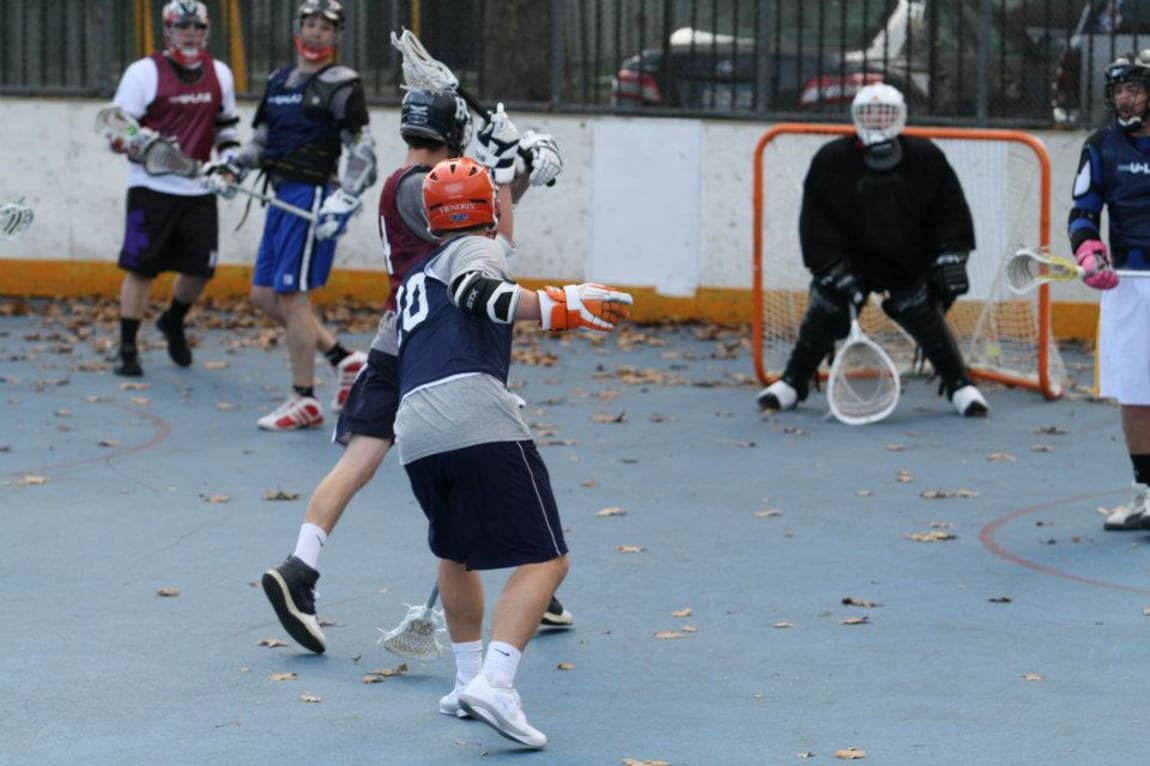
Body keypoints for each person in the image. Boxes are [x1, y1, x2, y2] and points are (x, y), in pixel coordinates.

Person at [259, 91, 571, 654]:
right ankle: (532, 570)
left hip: (400, 335)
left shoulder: (415, 182)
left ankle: (301, 566)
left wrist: (518, 168)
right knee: (480, 449)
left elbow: (485, 214)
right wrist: (507, 160)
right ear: (455, 136)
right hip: (435, 338)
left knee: (364, 458)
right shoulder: (417, 187)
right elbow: (491, 235)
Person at [395, 154, 631, 748]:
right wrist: (560, 306)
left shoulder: (414, 279)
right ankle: (496, 684)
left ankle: (465, 680)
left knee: (456, 554)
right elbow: (481, 293)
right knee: (549, 560)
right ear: (489, 212)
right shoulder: (478, 252)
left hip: (415, 427)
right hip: (474, 415)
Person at [756, 82, 989, 418]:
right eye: (869, 113)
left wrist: (951, 253)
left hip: (908, 261)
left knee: (923, 313)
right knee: (826, 309)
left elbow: (949, 210)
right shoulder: (831, 159)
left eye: (885, 113)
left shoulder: (926, 157)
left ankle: (959, 385)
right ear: (855, 116)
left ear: (901, 116)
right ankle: (793, 382)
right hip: (850, 261)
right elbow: (815, 221)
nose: (877, 120)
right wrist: (832, 269)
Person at [205, 0, 372, 430]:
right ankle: (343, 358)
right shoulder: (279, 80)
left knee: (293, 298)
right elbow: (262, 141)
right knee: (264, 296)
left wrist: (346, 197)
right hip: (279, 197)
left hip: (312, 198)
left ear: (337, 37)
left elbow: (362, 152)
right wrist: (231, 166)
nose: (316, 32)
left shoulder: (343, 84)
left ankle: (305, 398)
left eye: (325, 27)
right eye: (309, 23)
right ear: (297, 28)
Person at [107, 0, 240, 377]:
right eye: (183, 27)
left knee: (201, 269)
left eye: (198, 28)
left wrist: (229, 166)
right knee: (140, 269)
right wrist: (140, 142)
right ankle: (127, 347)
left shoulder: (220, 73)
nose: (191, 34)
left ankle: (173, 320)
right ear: (168, 31)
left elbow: (226, 128)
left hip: (198, 188)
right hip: (150, 188)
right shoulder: (143, 72)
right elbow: (114, 128)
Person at [1067, 51, 1150, 530]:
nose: (1125, 97)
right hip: (1128, 287)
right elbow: (1083, 210)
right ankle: (1144, 494)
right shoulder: (1100, 145)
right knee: (1135, 393)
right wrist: (1087, 249)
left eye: (1135, 88)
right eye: (1119, 89)